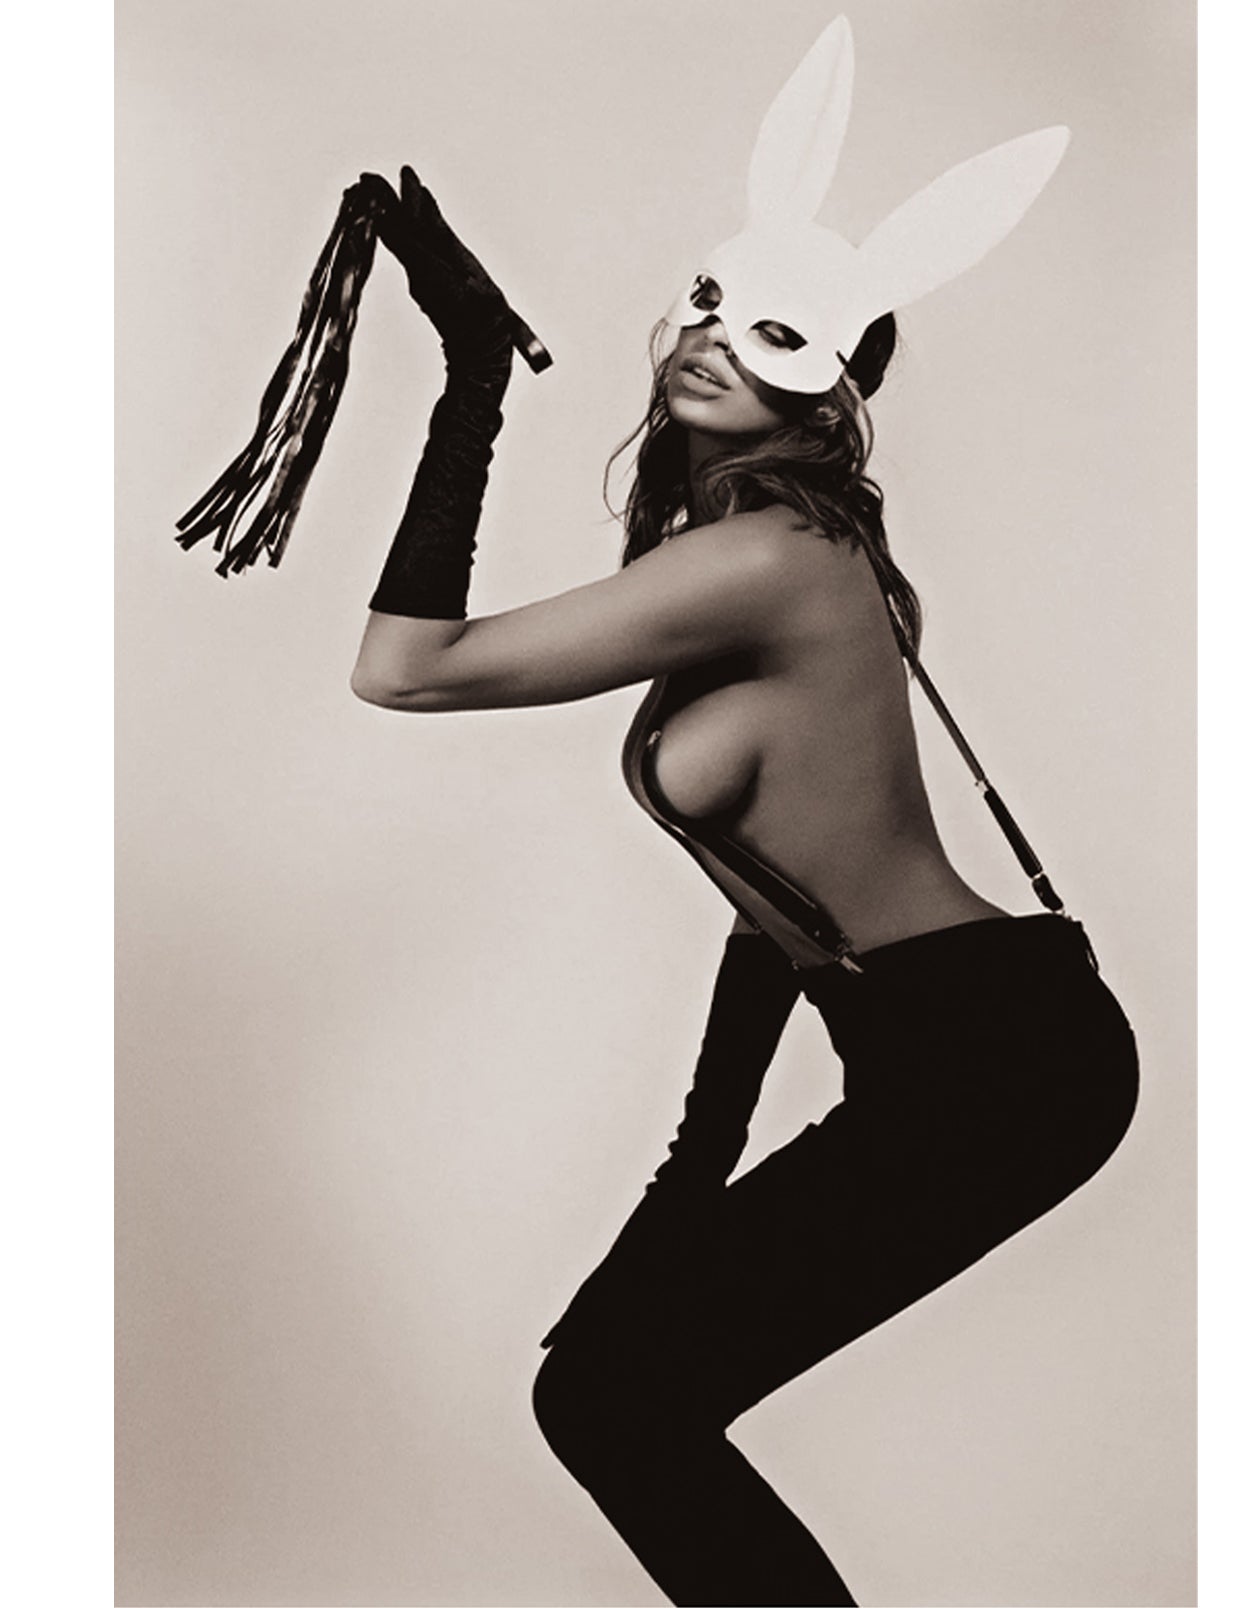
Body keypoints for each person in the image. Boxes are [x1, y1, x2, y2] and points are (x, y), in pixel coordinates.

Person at [191, 22, 1139, 1606]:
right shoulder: (757, 553)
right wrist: (688, 1182)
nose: (710, 338)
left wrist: (474, 381)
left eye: (772, 334)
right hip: (937, 1051)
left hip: (998, 1065)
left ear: (835, 382)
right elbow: (773, 920)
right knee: (619, 1393)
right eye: (709, 302)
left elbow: (406, 670)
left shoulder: (770, 559)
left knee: (617, 1402)